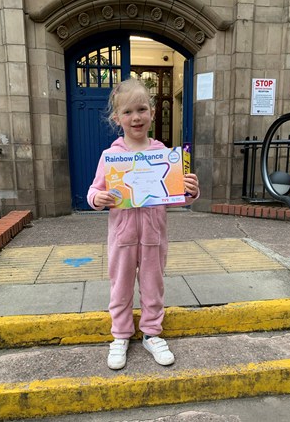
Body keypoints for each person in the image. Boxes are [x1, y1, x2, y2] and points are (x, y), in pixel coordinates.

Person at [87, 77, 199, 370]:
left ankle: (152, 333)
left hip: (153, 237)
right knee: (120, 287)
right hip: (122, 238)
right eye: (127, 112)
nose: (135, 117)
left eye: (141, 109)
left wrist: (190, 191)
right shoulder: (110, 157)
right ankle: (121, 335)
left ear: (151, 111)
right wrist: (98, 199)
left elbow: (178, 197)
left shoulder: (164, 154)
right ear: (117, 118)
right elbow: (93, 191)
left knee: (153, 285)